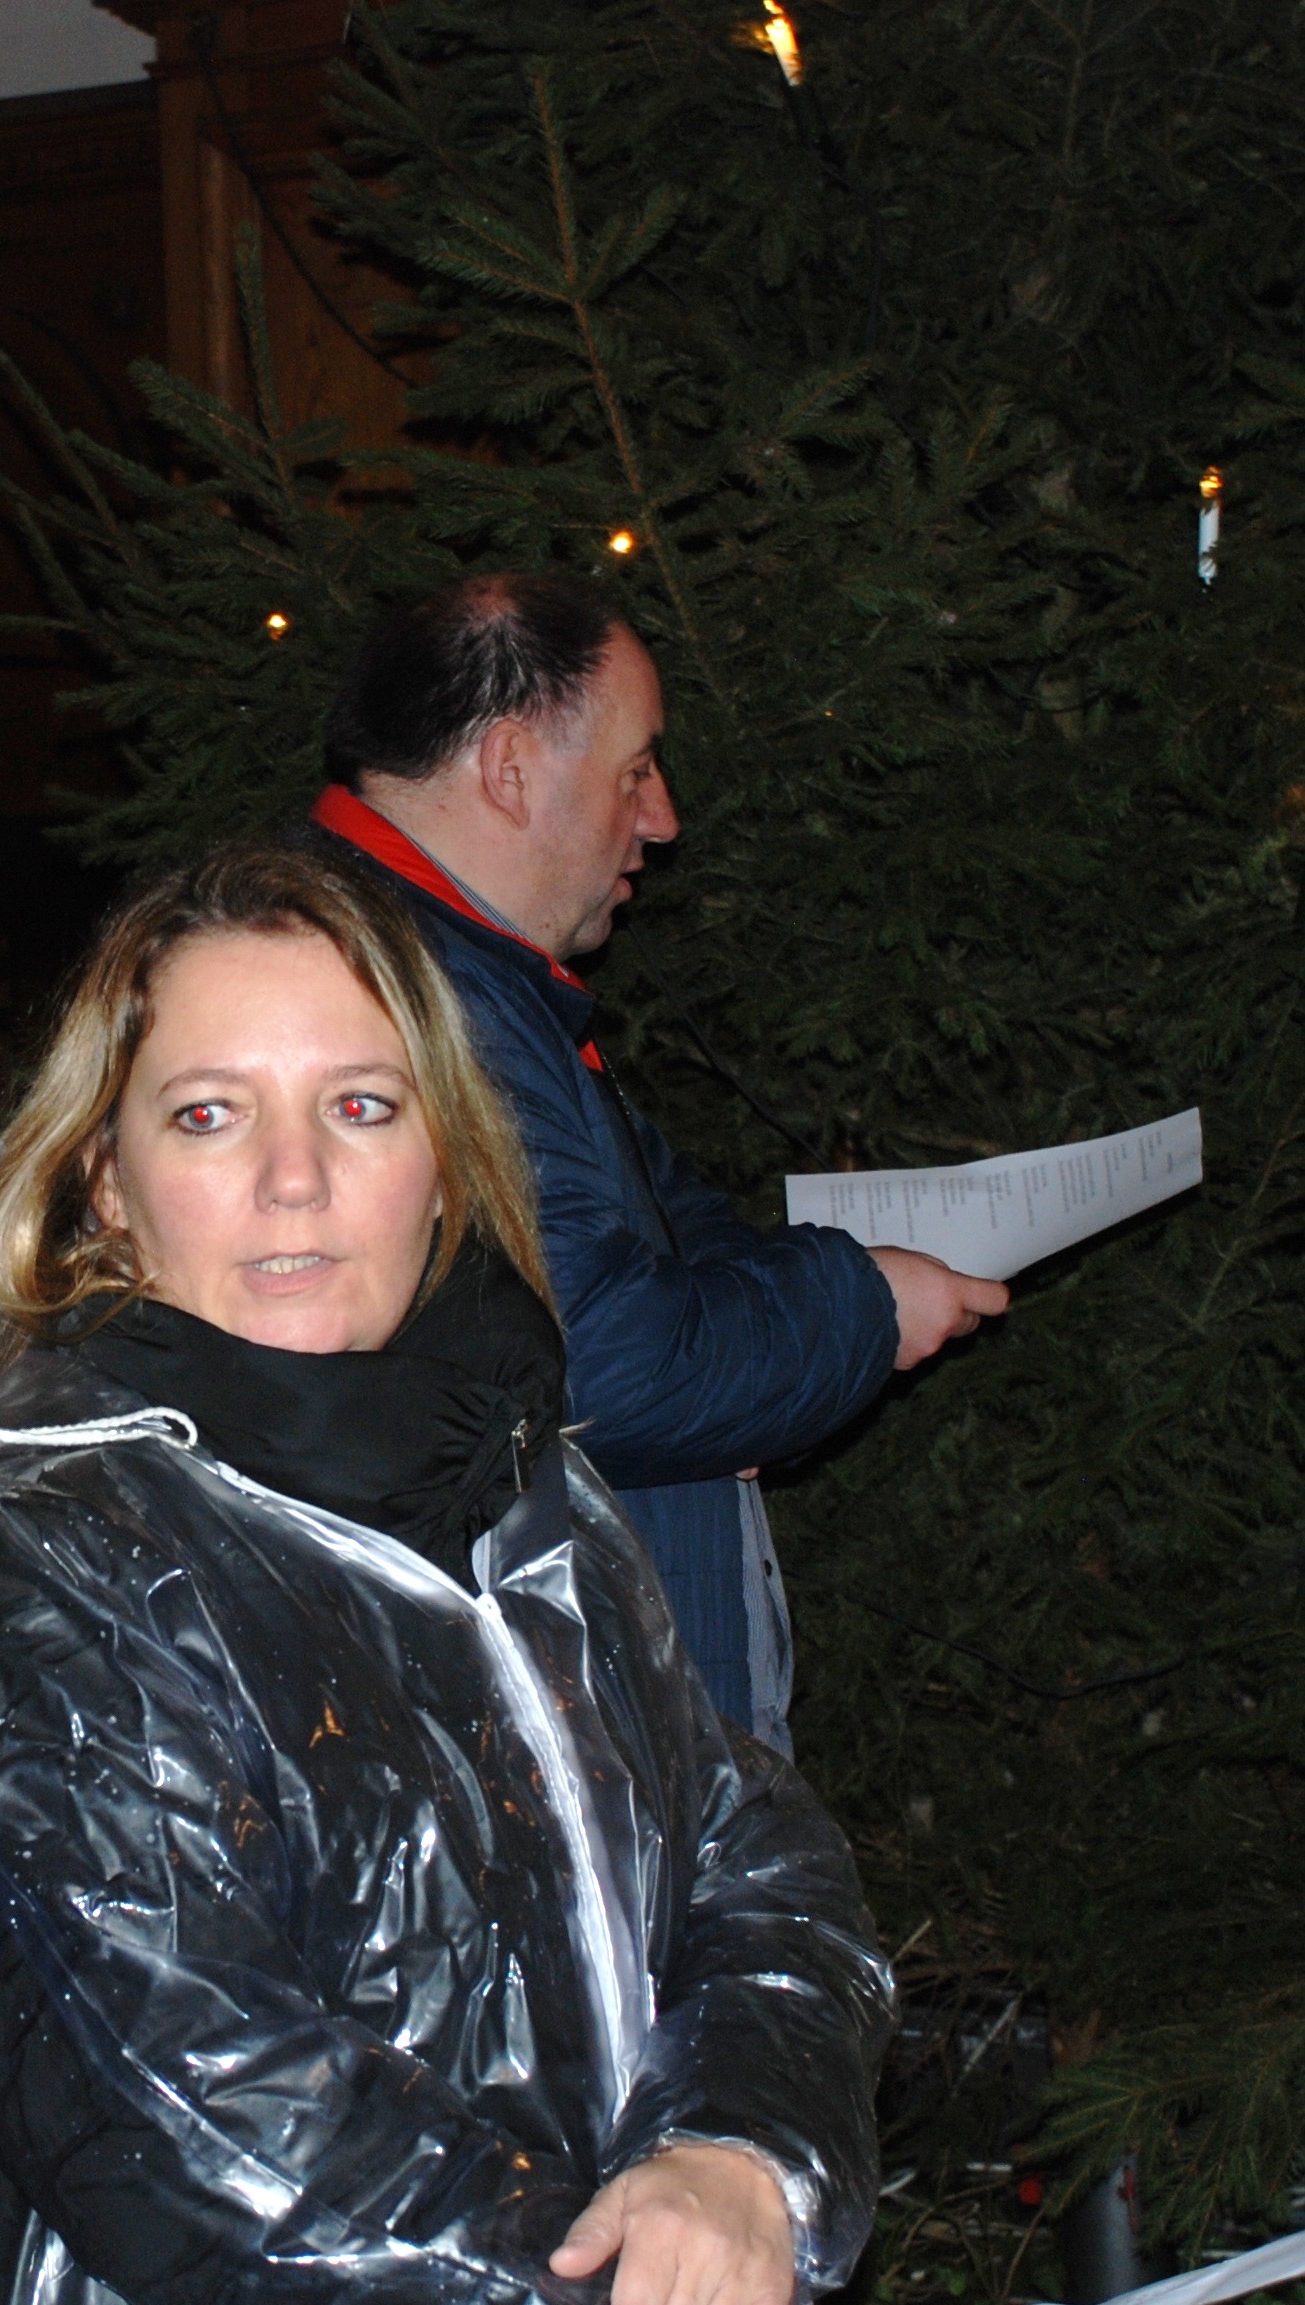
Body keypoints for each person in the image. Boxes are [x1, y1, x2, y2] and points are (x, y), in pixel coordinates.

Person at [0, 841, 986, 2305]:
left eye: (359, 1107)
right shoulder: (34, 1576)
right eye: (209, 1115)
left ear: (446, 1158)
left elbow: (757, 1875)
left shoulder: (532, 1507)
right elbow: (198, 2118)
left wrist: (737, 2157)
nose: (293, 1179)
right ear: (105, 1185)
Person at [301, 575, 1008, 1751]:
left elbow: (667, 1236)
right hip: (559, 1747)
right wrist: (863, 1308)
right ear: (510, 768)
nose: (664, 818)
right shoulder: (400, 989)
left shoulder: (470, 974)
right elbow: (596, 1372)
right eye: (634, 771)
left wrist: (769, 1361)